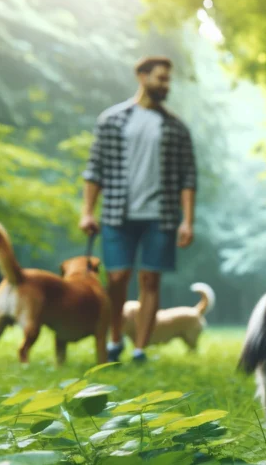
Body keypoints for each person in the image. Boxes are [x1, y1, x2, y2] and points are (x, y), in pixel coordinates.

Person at [80, 55, 197, 363]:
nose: (166, 85)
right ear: (143, 77)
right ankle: (116, 337)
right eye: (161, 78)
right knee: (116, 279)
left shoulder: (176, 128)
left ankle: (140, 348)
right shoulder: (112, 120)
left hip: (161, 215)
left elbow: (188, 176)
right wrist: (87, 211)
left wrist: (188, 221)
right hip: (118, 214)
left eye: (168, 79)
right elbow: (95, 169)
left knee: (151, 281)